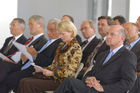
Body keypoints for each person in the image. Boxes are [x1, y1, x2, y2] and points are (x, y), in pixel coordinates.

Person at [54, 25, 137, 93]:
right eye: (107, 34)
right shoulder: (102, 55)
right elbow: (90, 72)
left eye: (112, 34)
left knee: (69, 82)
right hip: (92, 88)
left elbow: (128, 82)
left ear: (122, 38)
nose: (107, 36)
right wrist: (88, 79)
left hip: (106, 91)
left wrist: (103, 88)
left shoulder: (128, 56)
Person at [17, 20, 82, 93]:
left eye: (63, 34)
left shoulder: (75, 48)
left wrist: (52, 73)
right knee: (23, 81)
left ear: (72, 32)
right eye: (59, 34)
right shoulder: (61, 45)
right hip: (53, 77)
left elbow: (70, 73)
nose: (60, 37)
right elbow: (54, 64)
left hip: (61, 81)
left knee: (28, 83)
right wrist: (42, 69)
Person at [0, 15, 47, 93]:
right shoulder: (30, 39)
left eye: (31, 24)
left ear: (40, 25)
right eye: (29, 24)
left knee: (6, 70)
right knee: (5, 72)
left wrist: (25, 58)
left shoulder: (43, 41)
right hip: (20, 63)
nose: (29, 27)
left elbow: (38, 58)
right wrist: (22, 59)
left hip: (28, 68)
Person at [123, 22, 140, 93]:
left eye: (127, 29)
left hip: (131, 82)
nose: (125, 32)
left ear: (136, 30)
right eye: (123, 30)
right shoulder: (119, 44)